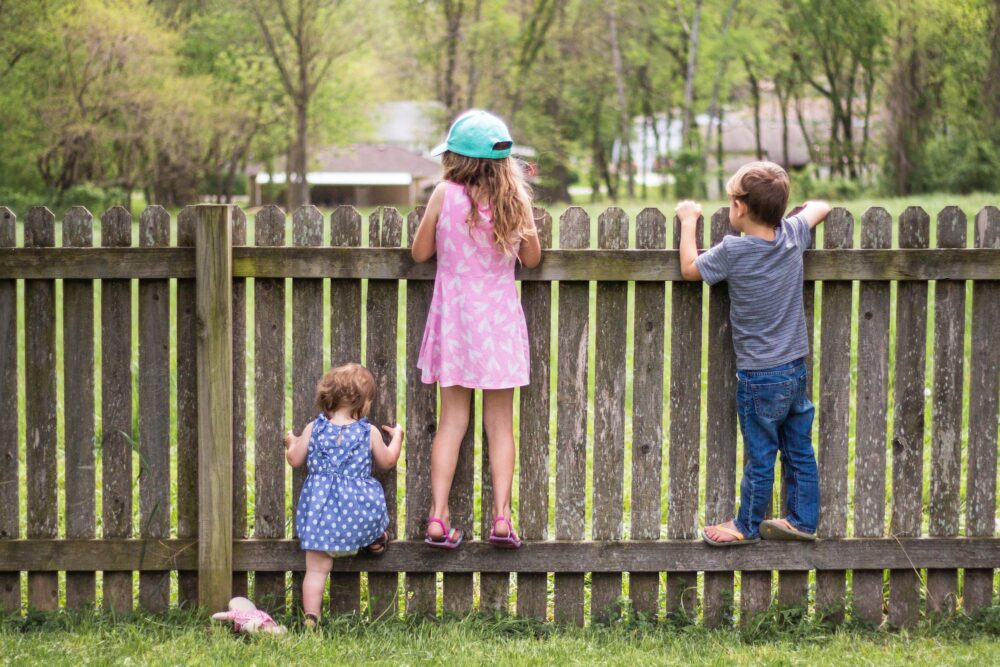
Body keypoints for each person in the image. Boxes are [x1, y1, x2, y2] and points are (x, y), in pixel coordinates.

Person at [675, 161, 831, 546]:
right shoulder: (792, 235)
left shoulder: (734, 251)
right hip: (795, 369)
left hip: (759, 377)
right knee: (798, 448)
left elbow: (691, 269)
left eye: (731, 201)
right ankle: (803, 521)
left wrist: (688, 220)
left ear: (740, 208)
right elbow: (822, 206)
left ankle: (745, 526)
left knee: (761, 455)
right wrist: (791, 211)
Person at [411, 109, 541, 549]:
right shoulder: (513, 201)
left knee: (452, 424)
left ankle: (438, 516)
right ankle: (502, 518)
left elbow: (420, 252)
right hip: (499, 323)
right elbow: (533, 259)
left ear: (455, 158)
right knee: (500, 426)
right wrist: (522, 210)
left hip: (455, 324)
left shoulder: (444, 195)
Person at [284, 363, 403, 626]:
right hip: (357, 517)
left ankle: (311, 618)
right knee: (373, 520)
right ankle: (374, 539)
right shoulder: (368, 432)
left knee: (316, 571)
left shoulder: (314, 428)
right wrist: (397, 437)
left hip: (322, 520)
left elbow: (294, 459)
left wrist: (292, 441)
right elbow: (388, 461)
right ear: (364, 402)